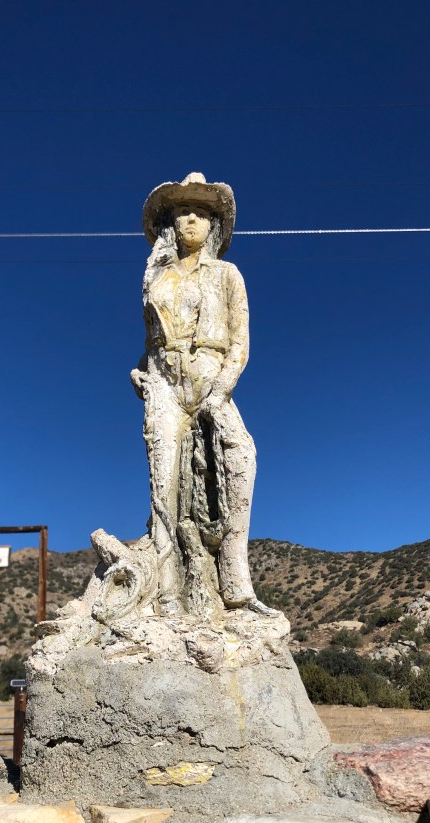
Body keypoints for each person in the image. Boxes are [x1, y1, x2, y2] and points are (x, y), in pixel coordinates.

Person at [132, 172, 275, 618]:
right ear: (171, 224)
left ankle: (235, 581)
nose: (190, 219)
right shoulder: (156, 278)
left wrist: (221, 389)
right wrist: (140, 371)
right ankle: (166, 591)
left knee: (240, 459)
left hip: (211, 376)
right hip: (164, 381)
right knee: (164, 481)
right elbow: (154, 339)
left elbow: (240, 342)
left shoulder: (227, 274)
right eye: (182, 212)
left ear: (213, 224)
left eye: (200, 212)